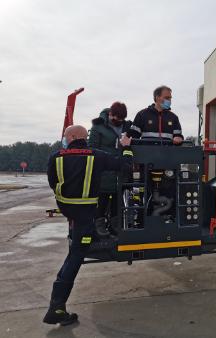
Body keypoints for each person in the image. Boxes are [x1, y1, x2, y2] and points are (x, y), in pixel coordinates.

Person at [44, 125, 133, 326]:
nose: (64, 139)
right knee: (75, 257)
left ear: (73, 137)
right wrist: (126, 147)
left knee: (74, 253)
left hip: (70, 213)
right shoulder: (97, 156)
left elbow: (52, 182)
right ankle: (56, 307)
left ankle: (57, 305)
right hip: (85, 216)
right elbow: (126, 165)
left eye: (65, 136)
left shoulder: (56, 157)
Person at [88, 102, 132, 235]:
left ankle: (115, 225)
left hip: (120, 169)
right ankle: (99, 224)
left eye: (121, 119)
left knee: (118, 199)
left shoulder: (127, 126)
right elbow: (92, 148)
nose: (119, 121)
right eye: (117, 119)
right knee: (102, 198)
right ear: (111, 114)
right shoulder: (98, 127)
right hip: (104, 171)